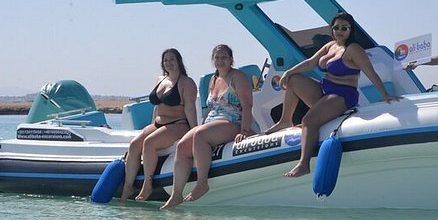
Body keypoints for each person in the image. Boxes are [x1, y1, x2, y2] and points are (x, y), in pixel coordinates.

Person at [265, 12, 398, 178]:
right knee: (293, 80)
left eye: (344, 28)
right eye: (336, 27)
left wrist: (385, 94)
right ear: (332, 29)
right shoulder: (330, 46)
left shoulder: (354, 49)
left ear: (351, 30)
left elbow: (370, 73)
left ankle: (304, 164)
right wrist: (288, 72)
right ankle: (285, 120)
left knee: (308, 121)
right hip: (325, 90)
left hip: (342, 96)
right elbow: (311, 62)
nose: (339, 31)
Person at [160, 44, 255, 209]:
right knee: (182, 146)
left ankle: (202, 183)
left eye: (224, 57)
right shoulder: (213, 79)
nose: (220, 61)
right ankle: (176, 194)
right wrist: (202, 125)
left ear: (231, 59)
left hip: (233, 121)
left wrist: (244, 131)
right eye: (217, 58)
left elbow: (247, 106)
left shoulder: (238, 77)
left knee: (200, 135)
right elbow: (211, 108)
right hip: (213, 121)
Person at [119, 48, 197, 202]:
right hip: (158, 123)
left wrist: (194, 132)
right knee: (134, 145)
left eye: (172, 59)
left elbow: (190, 108)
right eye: (165, 60)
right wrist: (151, 126)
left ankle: (148, 184)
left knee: (149, 143)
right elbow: (157, 106)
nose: (169, 63)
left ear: (179, 61)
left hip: (178, 124)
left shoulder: (186, 83)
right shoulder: (161, 80)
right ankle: (128, 186)